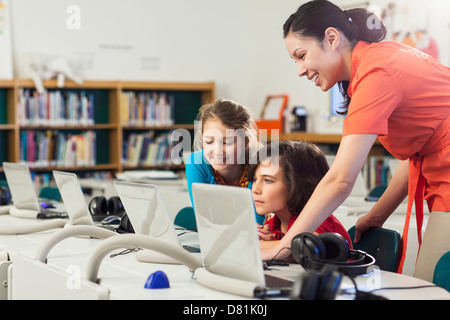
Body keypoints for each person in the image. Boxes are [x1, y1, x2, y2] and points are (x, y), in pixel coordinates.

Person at [261, 0, 450, 282]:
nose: (299, 69)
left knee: (431, 286)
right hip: (440, 174)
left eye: (301, 55)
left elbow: (340, 180)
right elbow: (417, 155)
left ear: (332, 38)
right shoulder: (375, 63)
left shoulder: (377, 73)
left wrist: (283, 245)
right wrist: (377, 215)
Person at [248, 140, 352, 256]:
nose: (255, 189)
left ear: (297, 184)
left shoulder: (319, 219)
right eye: (254, 179)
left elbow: (304, 249)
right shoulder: (273, 224)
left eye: (268, 180)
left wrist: (246, 241)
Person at [185, 98, 265, 225]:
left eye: (227, 142)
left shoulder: (260, 167)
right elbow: (206, 220)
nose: (217, 151)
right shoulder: (196, 163)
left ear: (245, 142)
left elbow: (258, 224)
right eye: (209, 141)